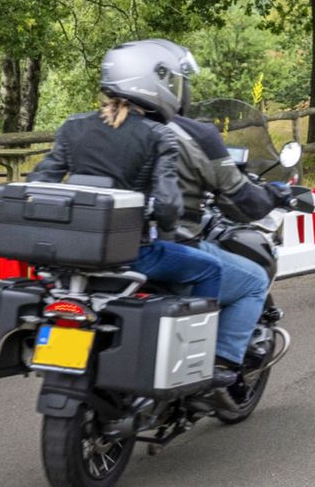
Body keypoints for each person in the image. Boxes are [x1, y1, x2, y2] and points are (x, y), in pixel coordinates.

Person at [28, 44, 226, 371]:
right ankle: (194, 363)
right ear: (154, 84)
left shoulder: (72, 127)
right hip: (131, 255)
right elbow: (167, 206)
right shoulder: (158, 135)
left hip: (67, 258)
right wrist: (167, 229)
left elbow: (40, 181)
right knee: (210, 268)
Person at [131, 40, 283, 373]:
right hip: (167, 247)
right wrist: (274, 195)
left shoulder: (99, 127)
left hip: (108, 250)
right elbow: (243, 196)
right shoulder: (194, 134)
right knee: (254, 281)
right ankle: (222, 364)